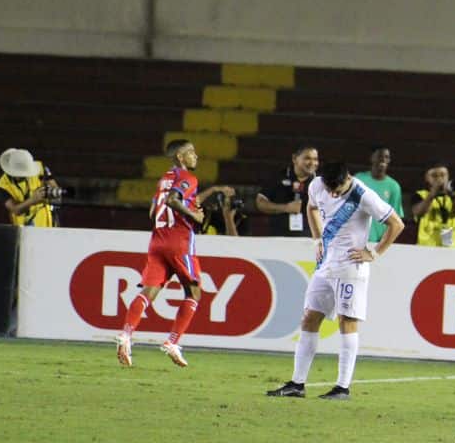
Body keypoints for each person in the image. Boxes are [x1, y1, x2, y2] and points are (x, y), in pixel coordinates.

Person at [266, 159, 403, 400]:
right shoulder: (317, 185)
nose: (332, 194)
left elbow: (396, 224)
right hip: (326, 265)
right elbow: (311, 208)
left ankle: (342, 387)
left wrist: (374, 253)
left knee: (346, 322)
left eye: (336, 190)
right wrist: (317, 240)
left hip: (350, 267)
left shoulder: (363, 195)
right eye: (329, 189)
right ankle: (297, 384)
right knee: (309, 317)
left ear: (347, 178)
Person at [116, 139, 231, 368]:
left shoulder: (164, 180)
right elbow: (173, 200)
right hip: (179, 241)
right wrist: (194, 216)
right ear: (180, 157)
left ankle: (126, 335)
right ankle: (172, 342)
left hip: (157, 240)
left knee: (149, 292)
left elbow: (153, 211)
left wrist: (193, 204)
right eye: (191, 152)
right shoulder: (188, 177)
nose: (196, 156)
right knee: (194, 293)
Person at [256, 144, 319, 237]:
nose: (312, 163)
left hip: (310, 240)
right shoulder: (278, 177)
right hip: (279, 238)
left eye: (315, 159)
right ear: (294, 159)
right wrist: (285, 208)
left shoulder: (321, 183)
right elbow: (260, 202)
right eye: (307, 158)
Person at [0, 147, 59, 228]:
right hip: (23, 229)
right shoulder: (3, 185)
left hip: (47, 225)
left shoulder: (40, 168)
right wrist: (33, 200)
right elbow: (16, 210)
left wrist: (49, 193)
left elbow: (56, 191)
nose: (26, 175)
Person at [353, 146, 405, 243]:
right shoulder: (359, 179)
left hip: (379, 241)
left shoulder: (394, 186)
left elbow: (396, 218)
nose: (383, 159)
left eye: (386, 157)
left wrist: (384, 240)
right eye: (380, 156)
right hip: (356, 239)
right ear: (372, 158)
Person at [413, 164, 455, 248]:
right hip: (426, 247)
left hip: (450, 248)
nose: (439, 179)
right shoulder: (421, 195)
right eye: (434, 176)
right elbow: (418, 212)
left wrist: (452, 195)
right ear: (426, 178)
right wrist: (431, 195)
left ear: (448, 177)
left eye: (443, 175)